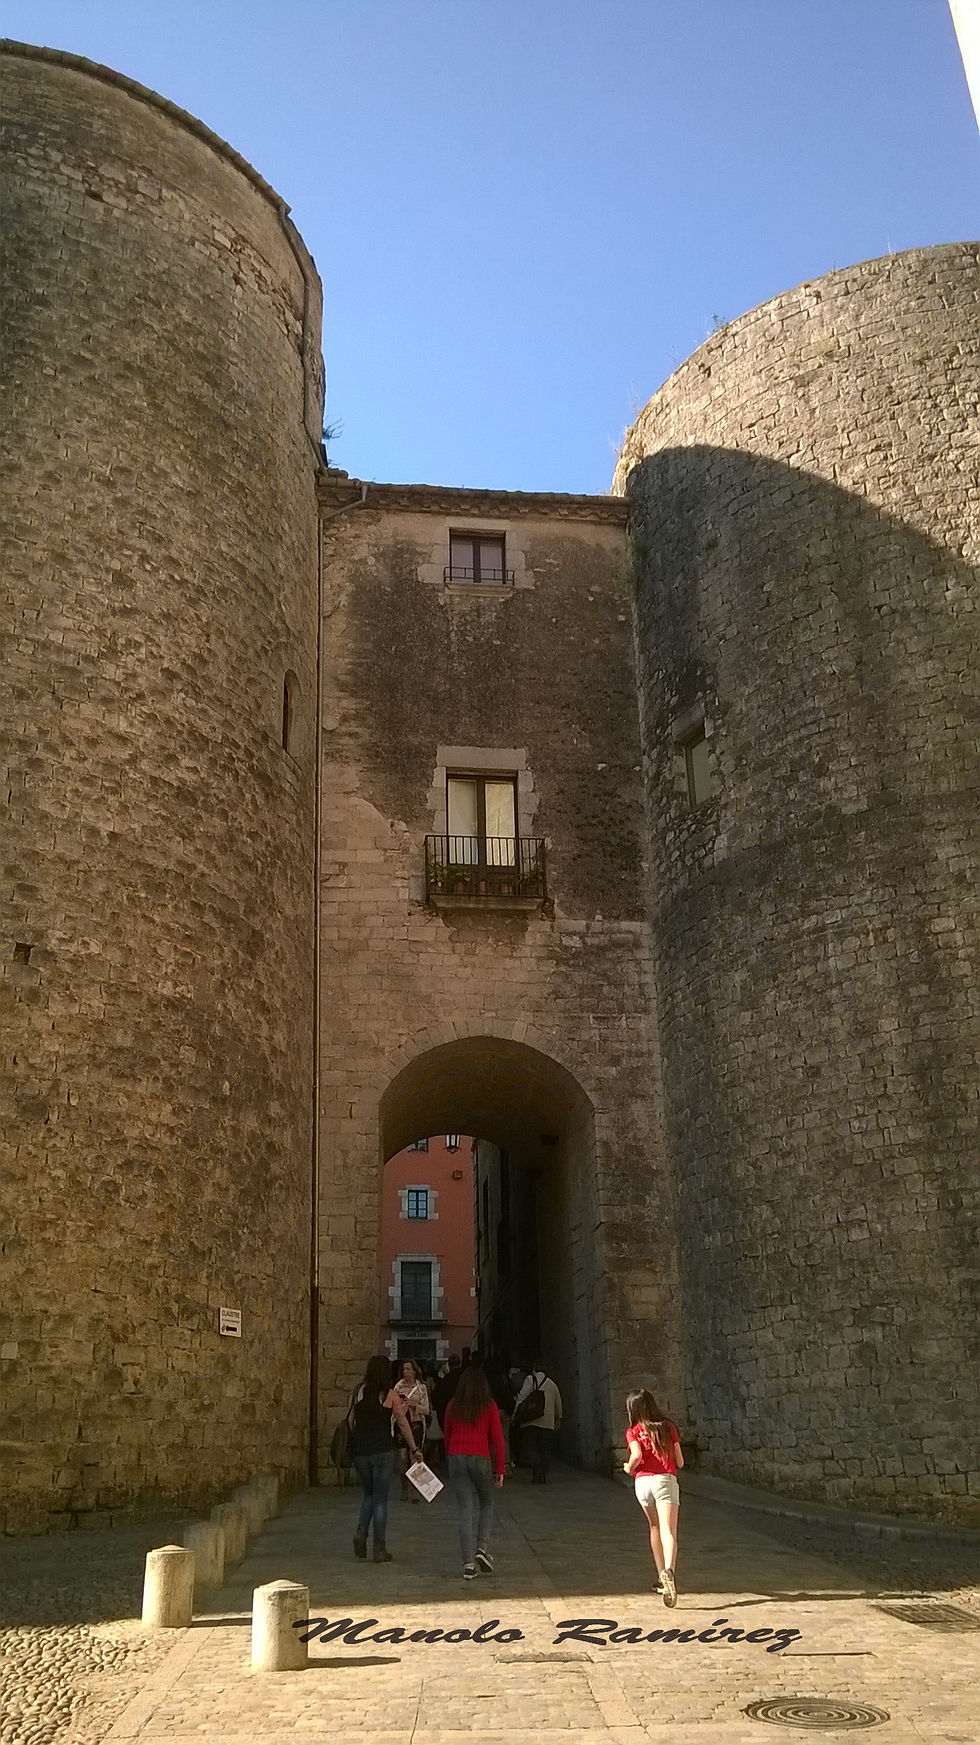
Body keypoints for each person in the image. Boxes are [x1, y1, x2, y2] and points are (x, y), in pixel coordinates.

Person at [349, 1354, 422, 1562]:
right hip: (382, 1450)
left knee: (368, 1495)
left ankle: (361, 1531)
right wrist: (414, 1448)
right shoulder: (390, 1395)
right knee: (380, 1500)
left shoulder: (358, 1392)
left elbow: (350, 1420)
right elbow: (403, 1423)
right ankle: (379, 1548)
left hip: (360, 1451)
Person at [444, 1361, 506, 1580]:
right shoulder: (488, 1406)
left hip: (456, 1456)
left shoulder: (453, 1405)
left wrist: (450, 1458)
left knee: (465, 1509)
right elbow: (497, 1439)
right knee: (487, 1502)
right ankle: (482, 1548)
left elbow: (447, 1434)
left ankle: (468, 1565)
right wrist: (500, 1468)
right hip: (480, 1456)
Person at [622, 1388, 684, 1605]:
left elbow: (636, 1455)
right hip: (664, 1480)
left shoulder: (633, 1431)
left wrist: (629, 1468)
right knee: (669, 1531)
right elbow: (680, 1461)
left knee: (654, 1527)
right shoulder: (668, 1428)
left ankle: (660, 1577)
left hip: (643, 1483)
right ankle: (669, 1570)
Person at [513, 1361, 562, 1483]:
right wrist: (559, 1418)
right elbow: (558, 1403)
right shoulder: (552, 1384)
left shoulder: (530, 1380)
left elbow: (521, 1397)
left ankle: (536, 1467)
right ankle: (542, 1475)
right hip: (547, 1423)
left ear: (534, 1369)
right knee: (545, 1449)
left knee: (529, 1447)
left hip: (530, 1421)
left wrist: (515, 1414)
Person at [393, 1358, 430, 1499]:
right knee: (403, 1458)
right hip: (402, 1424)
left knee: (415, 1457)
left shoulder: (421, 1388)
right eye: (404, 1369)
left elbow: (426, 1409)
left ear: (415, 1371)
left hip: (416, 1424)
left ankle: (416, 1491)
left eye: (408, 1369)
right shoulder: (398, 1387)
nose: (405, 1371)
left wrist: (414, 1405)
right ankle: (404, 1488)